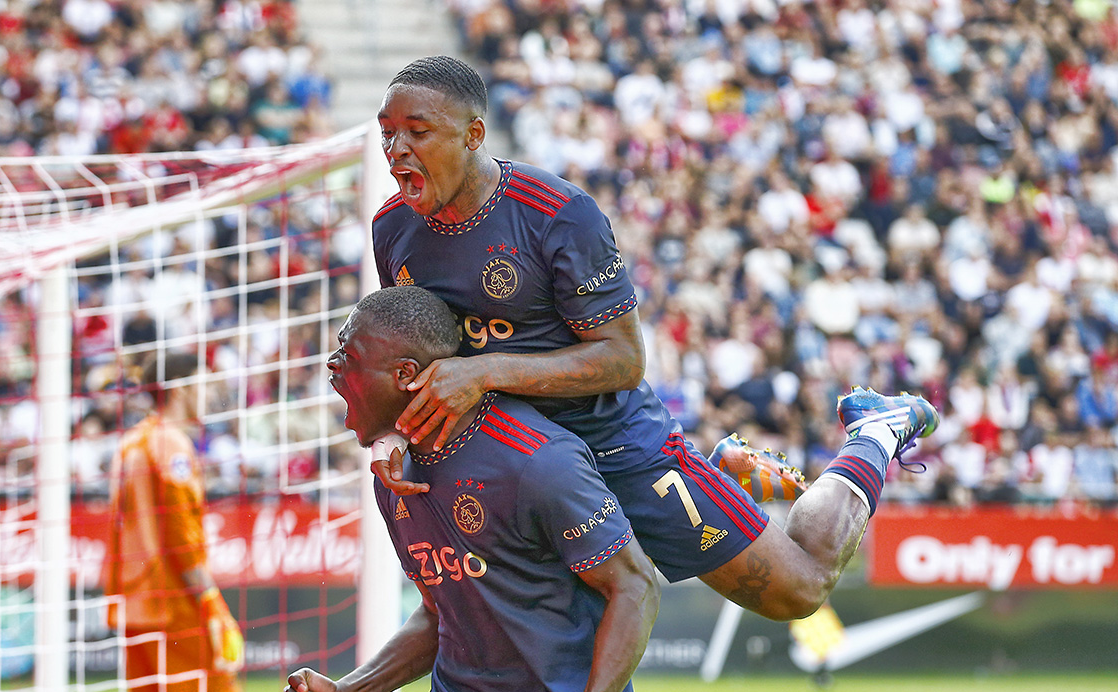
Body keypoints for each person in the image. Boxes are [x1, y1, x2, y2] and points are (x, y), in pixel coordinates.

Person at [371, 55, 939, 621]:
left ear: (474, 135)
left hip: (612, 445)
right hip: (509, 457)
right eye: (388, 133)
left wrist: (485, 371)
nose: (397, 149)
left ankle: (874, 430)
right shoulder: (391, 228)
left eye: (417, 133)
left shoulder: (559, 214)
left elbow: (623, 360)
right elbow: (412, 353)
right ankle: (723, 474)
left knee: (798, 590)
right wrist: (390, 436)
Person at [283, 286, 660, 692]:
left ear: (405, 374)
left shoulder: (539, 462)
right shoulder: (393, 476)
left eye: (348, 356)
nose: (332, 365)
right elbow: (441, 612)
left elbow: (636, 586)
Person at [106, 350, 258, 692]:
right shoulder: (170, 445)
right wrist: (211, 603)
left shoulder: (130, 443)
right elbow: (181, 537)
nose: (208, 392)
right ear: (179, 389)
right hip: (172, 604)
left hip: (133, 605)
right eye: (201, 383)